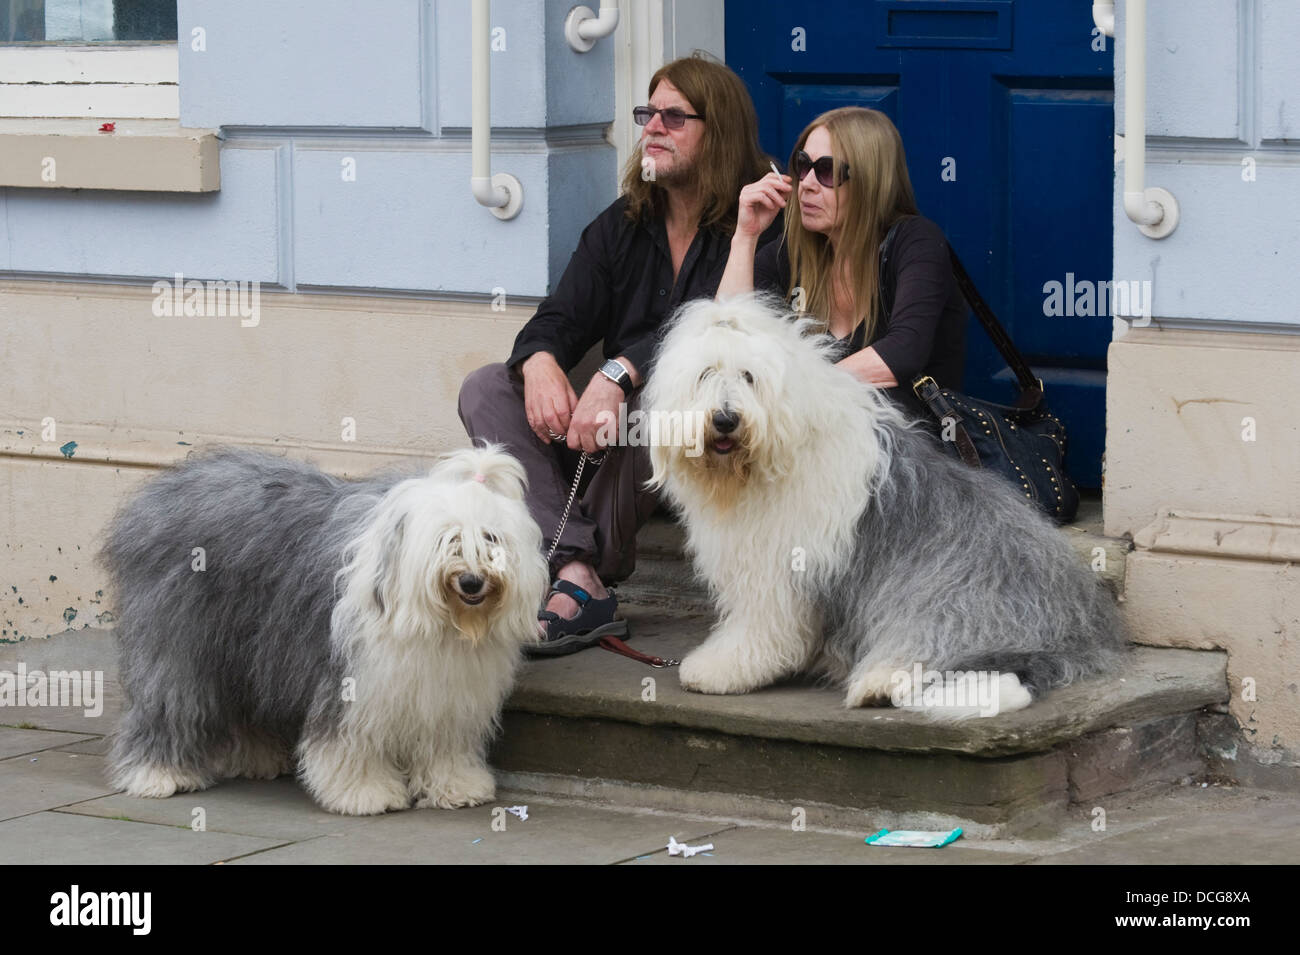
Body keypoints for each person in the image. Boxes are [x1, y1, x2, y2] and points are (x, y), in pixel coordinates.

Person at [458, 53, 776, 654]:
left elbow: (717, 332)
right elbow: (558, 317)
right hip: (604, 435)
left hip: (704, 431)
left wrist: (620, 371)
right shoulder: (623, 224)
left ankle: (573, 571)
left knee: (658, 401)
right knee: (486, 388)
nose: (652, 128)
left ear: (721, 133)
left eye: (674, 117)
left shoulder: (759, 227)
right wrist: (541, 362)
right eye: (646, 113)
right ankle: (578, 570)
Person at [717, 106, 966, 418]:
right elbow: (726, 334)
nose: (806, 183)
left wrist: (793, 391)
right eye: (802, 165)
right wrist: (745, 236)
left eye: (827, 172)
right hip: (819, 447)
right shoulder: (795, 253)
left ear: (869, 181)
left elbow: (902, 354)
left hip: (908, 453)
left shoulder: (915, 242)